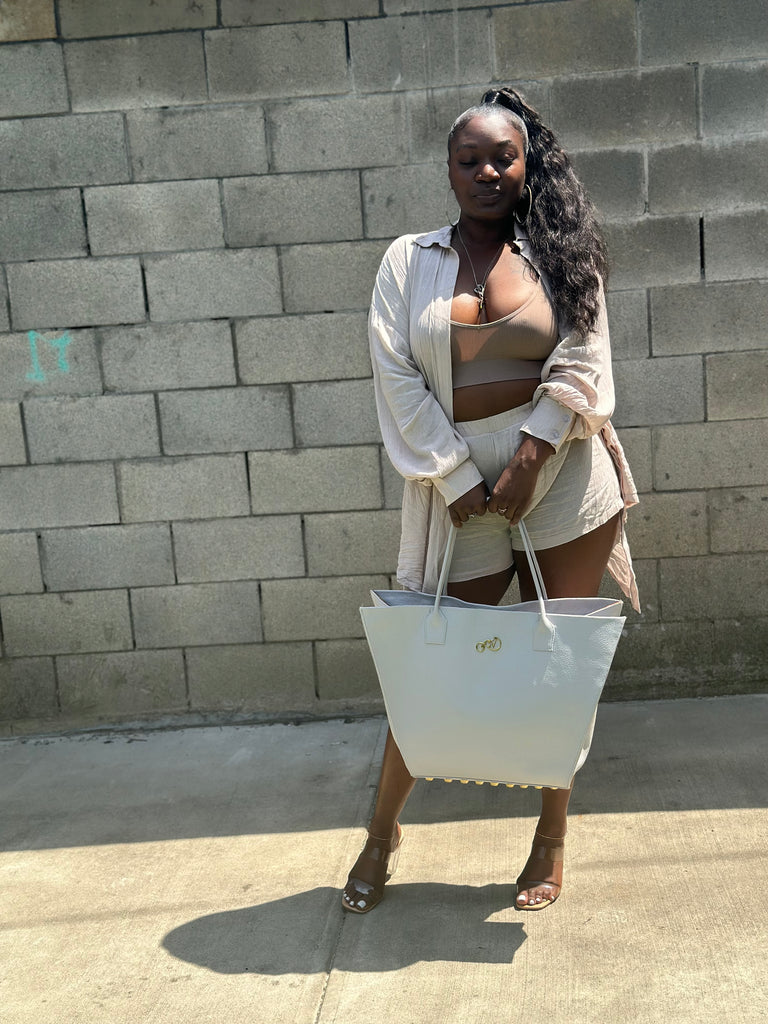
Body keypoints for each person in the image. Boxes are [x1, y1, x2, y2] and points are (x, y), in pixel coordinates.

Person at [342, 87, 639, 915]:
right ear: (448, 169)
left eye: (502, 158)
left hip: (563, 472)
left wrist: (533, 453)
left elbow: (585, 357)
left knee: (558, 670)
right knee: (429, 668)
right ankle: (380, 834)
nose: (486, 172)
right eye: (468, 159)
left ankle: (551, 838)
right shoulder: (408, 261)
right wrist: (457, 475)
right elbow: (396, 375)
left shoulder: (563, 253)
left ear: (524, 164)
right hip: (457, 490)